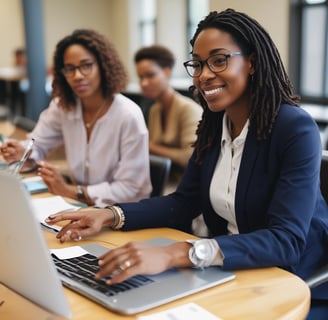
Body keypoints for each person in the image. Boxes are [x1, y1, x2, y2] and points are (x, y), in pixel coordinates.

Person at [45, 9, 328, 318]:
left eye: (219, 60)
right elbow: (184, 203)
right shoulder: (214, 123)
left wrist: (179, 253)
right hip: (227, 267)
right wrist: (110, 214)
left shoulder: (294, 128)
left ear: (252, 62)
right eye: (198, 64)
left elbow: (285, 240)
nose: (204, 75)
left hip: (288, 279)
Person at [0, 29, 152, 207]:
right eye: (70, 69)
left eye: (86, 65)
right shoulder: (64, 106)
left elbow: (131, 189)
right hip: (80, 206)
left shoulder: (128, 115)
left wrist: (70, 190)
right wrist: (22, 150)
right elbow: (38, 142)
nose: (77, 76)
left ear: (103, 66)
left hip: (122, 213)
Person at [134, 45, 202, 179]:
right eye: (141, 77)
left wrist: (149, 146)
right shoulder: (155, 109)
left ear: (167, 72)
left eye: (150, 75)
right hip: (162, 181)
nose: (144, 83)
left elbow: (190, 157)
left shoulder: (189, 109)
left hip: (184, 186)